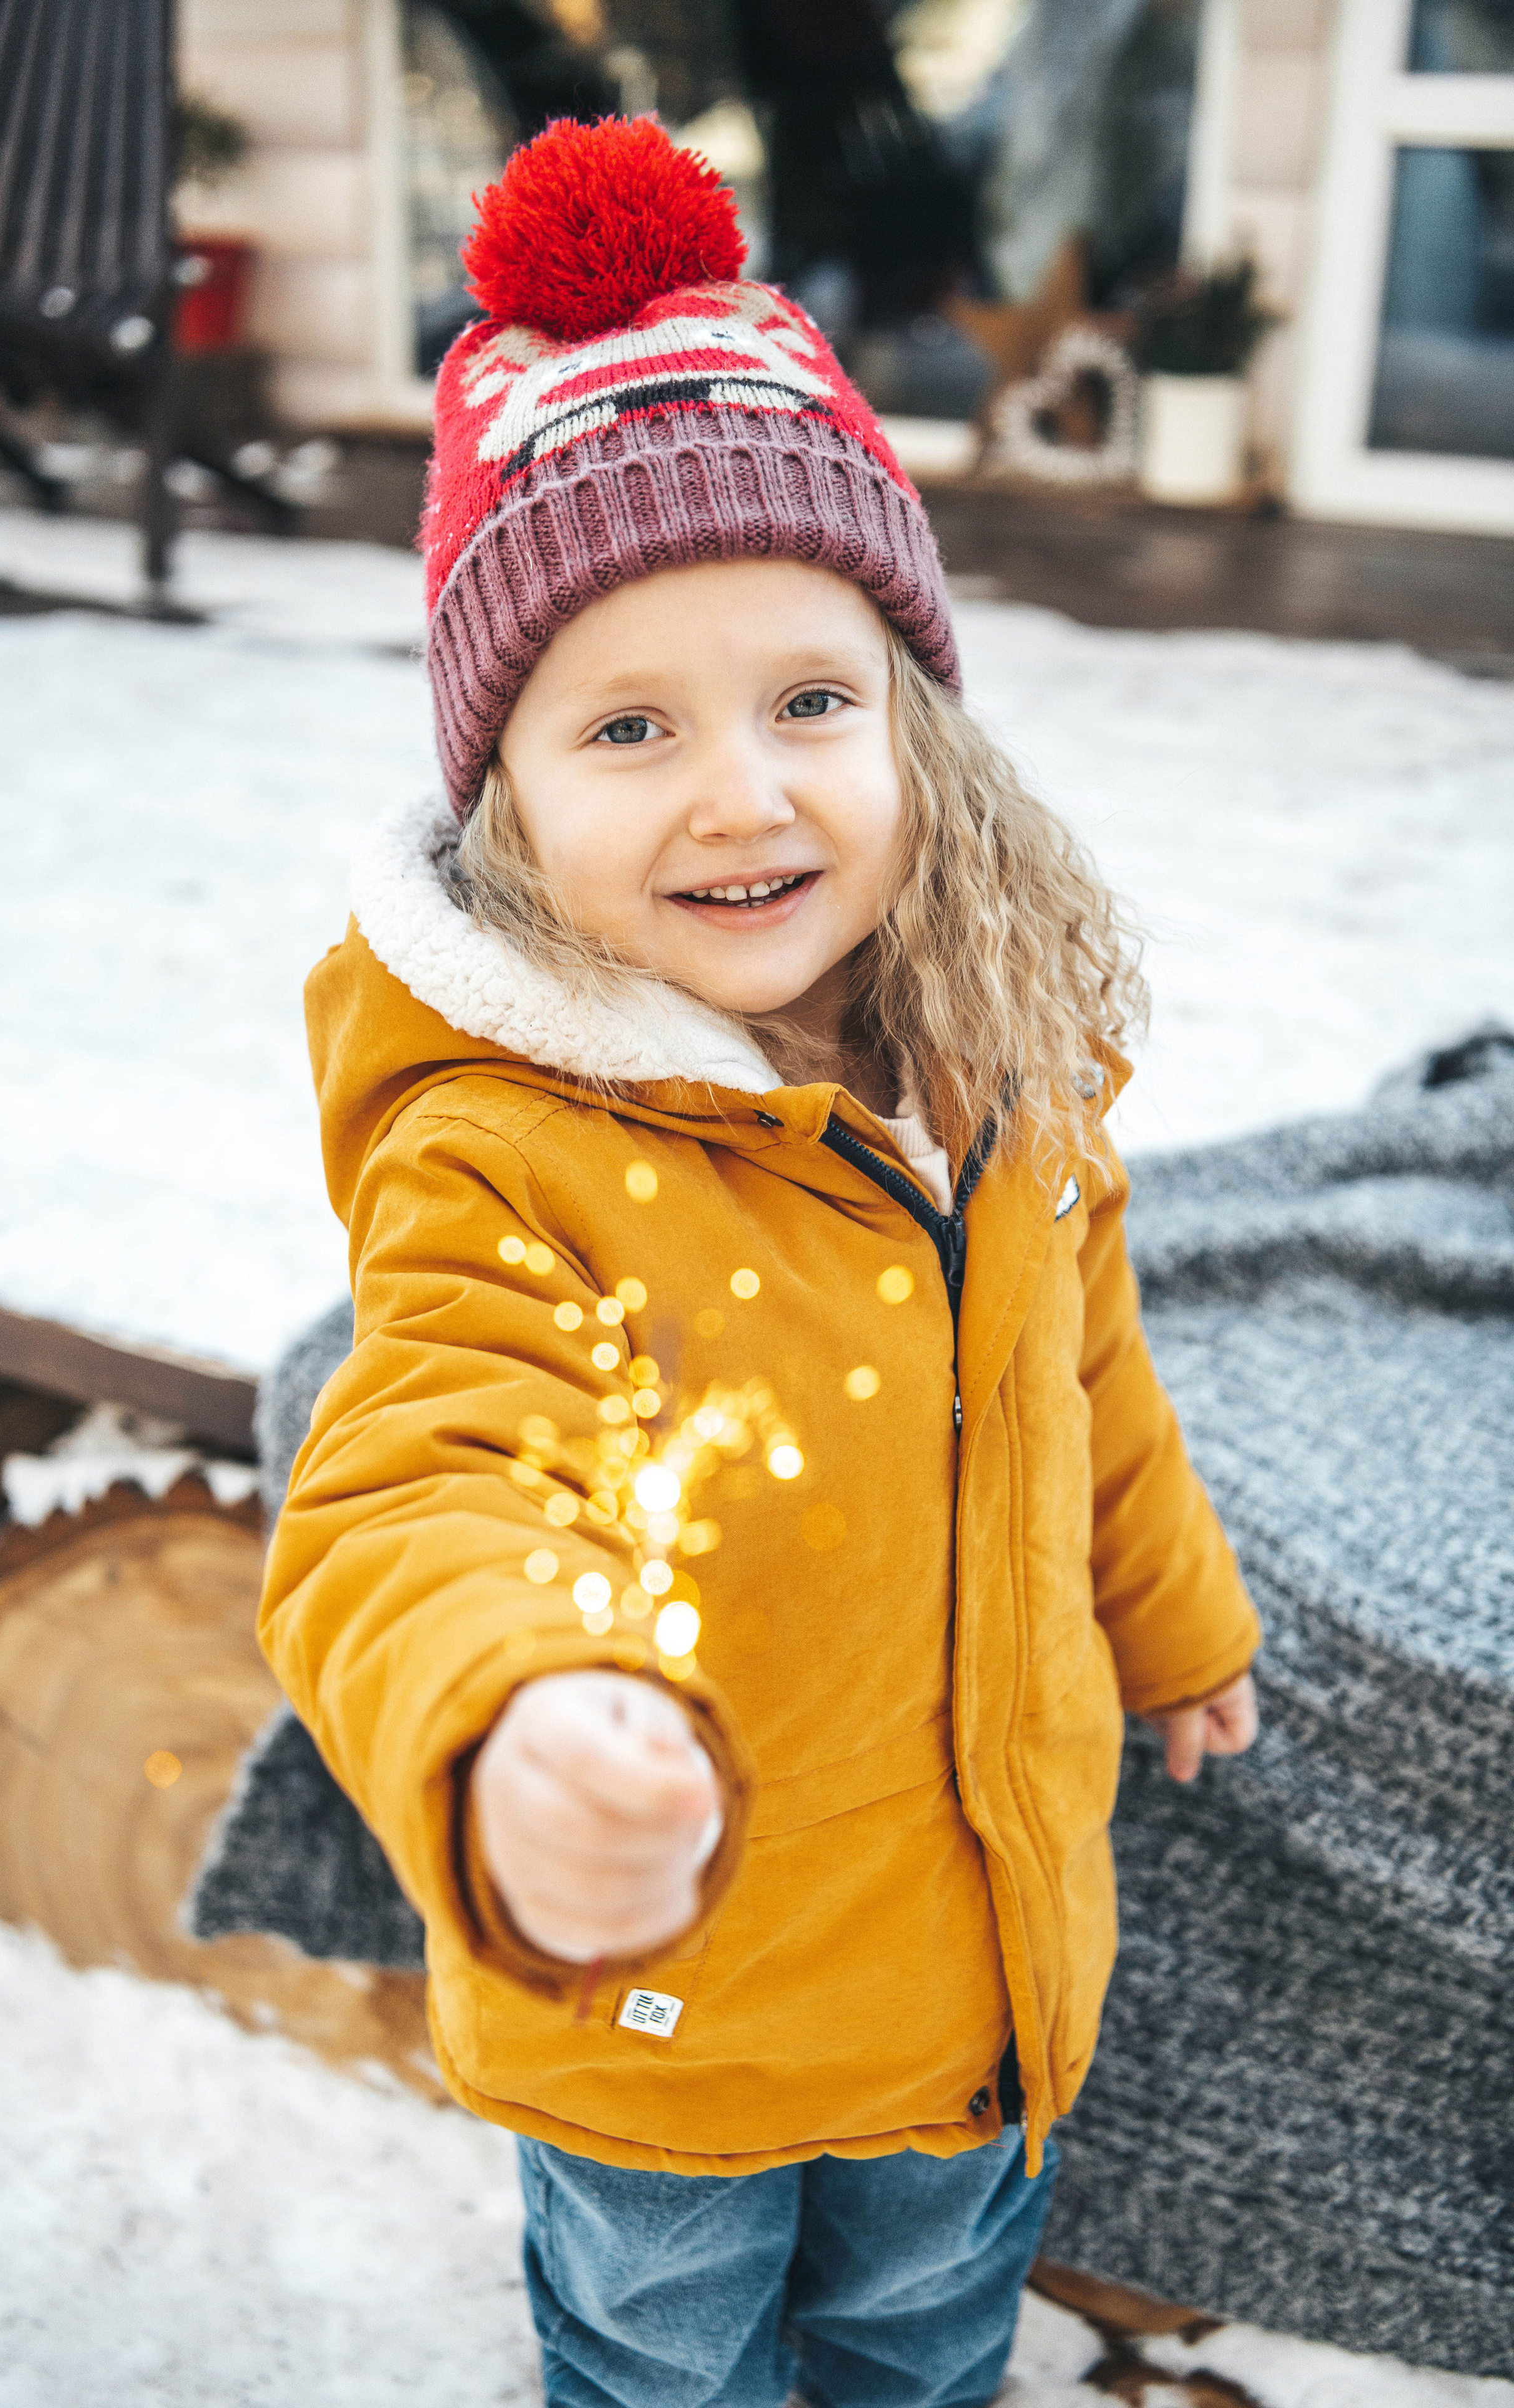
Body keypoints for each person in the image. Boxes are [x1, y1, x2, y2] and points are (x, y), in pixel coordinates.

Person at [260, 116, 1260, 2408]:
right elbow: (424, 1486)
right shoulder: (509, 1157)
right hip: (666, 2025)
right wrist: (511, 1724)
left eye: (812, 699)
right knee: (666, 2369)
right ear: (508, 806)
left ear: (916, 719)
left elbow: (1084, 1378)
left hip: (981, 1982)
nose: (748, 795)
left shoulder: (1001, 1059)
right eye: (631, 728)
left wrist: (1176, 1615)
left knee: (922, 2343)